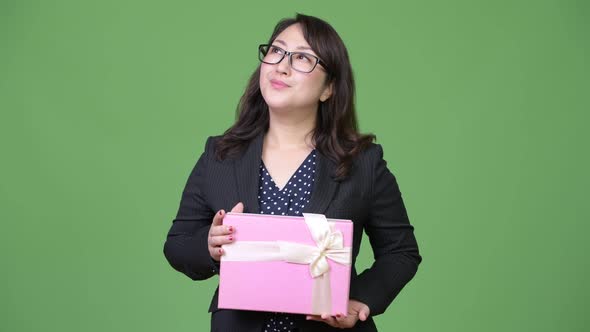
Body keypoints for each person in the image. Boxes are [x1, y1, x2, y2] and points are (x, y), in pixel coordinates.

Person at [163, 13, 421, 332]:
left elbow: (401, 252)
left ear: (329, 88)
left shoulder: (362, 162)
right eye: (276, 51)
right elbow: (177, 243)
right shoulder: (220, 154)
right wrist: (210, 245)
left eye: (302, 57)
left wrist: (360, 301)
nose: (281, 66)